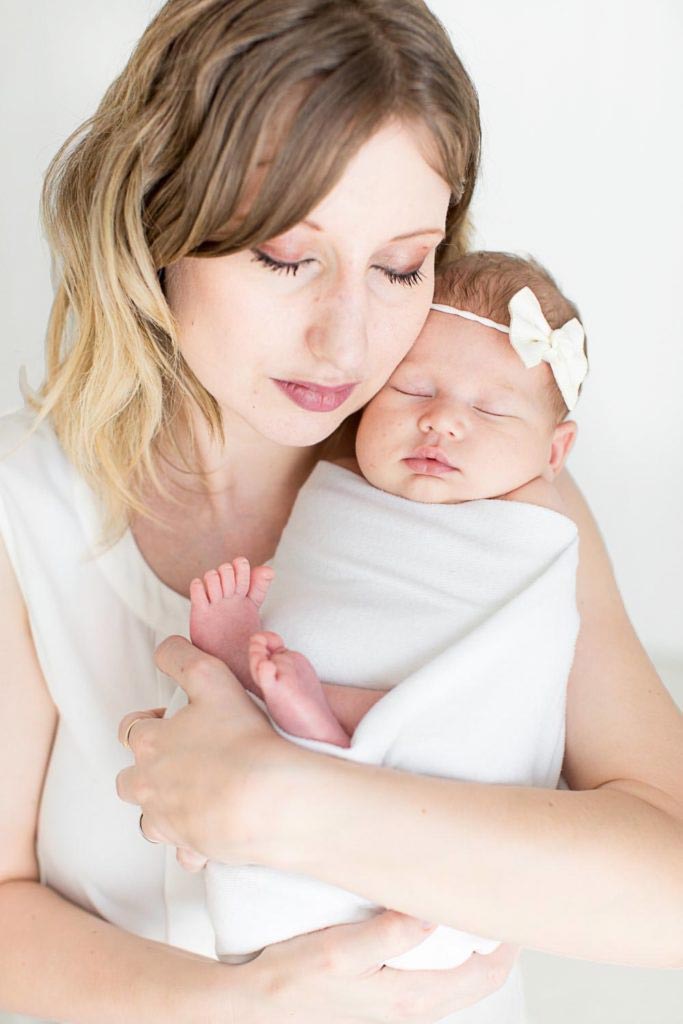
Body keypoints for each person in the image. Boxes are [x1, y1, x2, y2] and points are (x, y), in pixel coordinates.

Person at [0, 1, 537, 1022]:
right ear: (154, 222)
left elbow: (660, 868)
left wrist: (294, 800)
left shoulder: (483, 479)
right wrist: (245, 1000)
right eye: (288, 257)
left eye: (397, 267)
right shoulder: (26, 505)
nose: (345, 341)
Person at [183, 250, 588, 972]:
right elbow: (328, 593)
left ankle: (316, 719)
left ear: (554, 452)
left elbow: (514, 688)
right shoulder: (336, 493)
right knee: (269, 666)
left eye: (490, 408)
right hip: (270, 843)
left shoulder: (534, 535)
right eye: (411, 391)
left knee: (459, 729)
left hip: (446, 832)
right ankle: (270, 688)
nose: (440, 422)